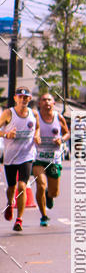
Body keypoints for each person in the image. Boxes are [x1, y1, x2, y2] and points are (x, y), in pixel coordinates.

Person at [0, 87, 40, 232]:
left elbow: (37, 128)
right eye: (20, 97)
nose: (23, 99)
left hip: (27, 155)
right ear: (15, 98)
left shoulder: (34, 113)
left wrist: (37, 136)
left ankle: (19, 219)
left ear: (30, 98)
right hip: (10, 157)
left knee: (22, 186)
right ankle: (10, 203)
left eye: (26, 97)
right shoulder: (8, 113)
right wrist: (6, 134)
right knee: (12, 188)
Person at [33, 92, 70, 227]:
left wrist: (62, 139)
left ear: (53, 103)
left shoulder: (58, 117)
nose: (47, 102)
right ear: (39, 103)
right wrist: (35, 137)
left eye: (49, 100)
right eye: (44, 100)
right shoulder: (35, 117)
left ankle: (49, 195)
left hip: (54, 159)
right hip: (38, 157)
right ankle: (44, 216)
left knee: (54, 192)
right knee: (41, 185)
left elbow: (67, 133)